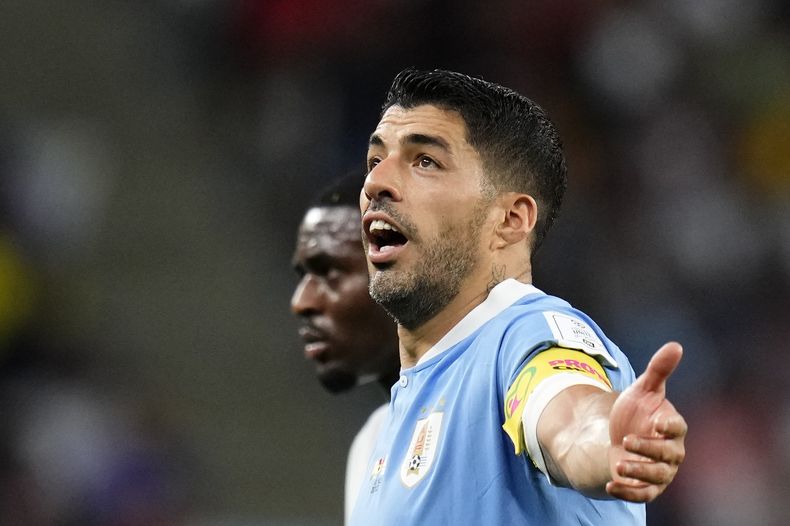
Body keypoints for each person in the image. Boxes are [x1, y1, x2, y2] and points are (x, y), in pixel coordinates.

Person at [349, 68, 687, 525]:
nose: (375, 184)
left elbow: (568, 414)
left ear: (509, 219)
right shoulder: (390, 428)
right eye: (375, 161)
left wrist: (608, 440)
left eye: (425, 160)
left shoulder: (521, 336)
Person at [290, 172, 400, 524]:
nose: (301, 302)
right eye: (303, 276)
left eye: (330, 273)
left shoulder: (501, 402)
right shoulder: (371, 444)